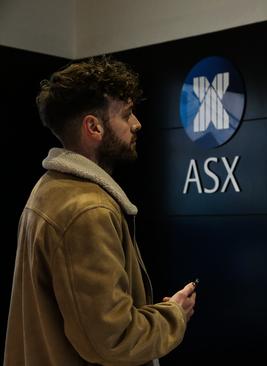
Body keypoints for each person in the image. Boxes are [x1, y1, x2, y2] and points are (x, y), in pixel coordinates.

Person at [4, 56, 196, 366]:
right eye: (127, 114)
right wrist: (173, 316)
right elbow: (112, 340)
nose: (137, 124)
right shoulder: (87, 211)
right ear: (93, 127)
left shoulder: (49, 190)